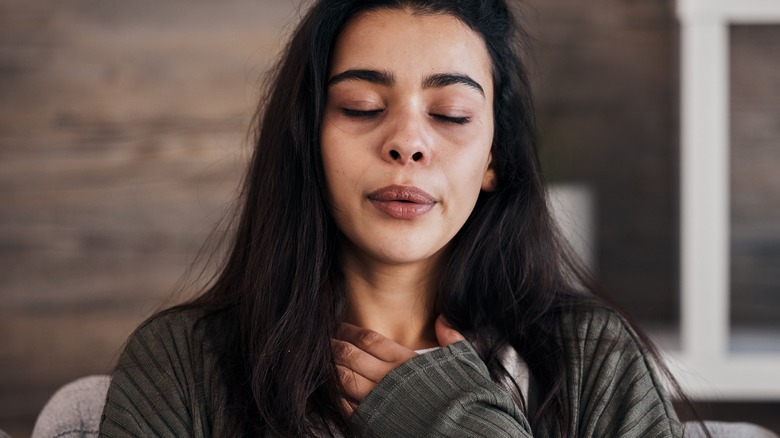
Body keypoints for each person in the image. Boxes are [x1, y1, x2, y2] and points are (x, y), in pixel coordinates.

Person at [99, 0, 690, 436]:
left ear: (494, 159)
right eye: (362, 107)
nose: (407, 142)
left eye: (452, 114)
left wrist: (459, 423)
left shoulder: (593, 359)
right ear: (308, 140)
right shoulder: (178, 364)